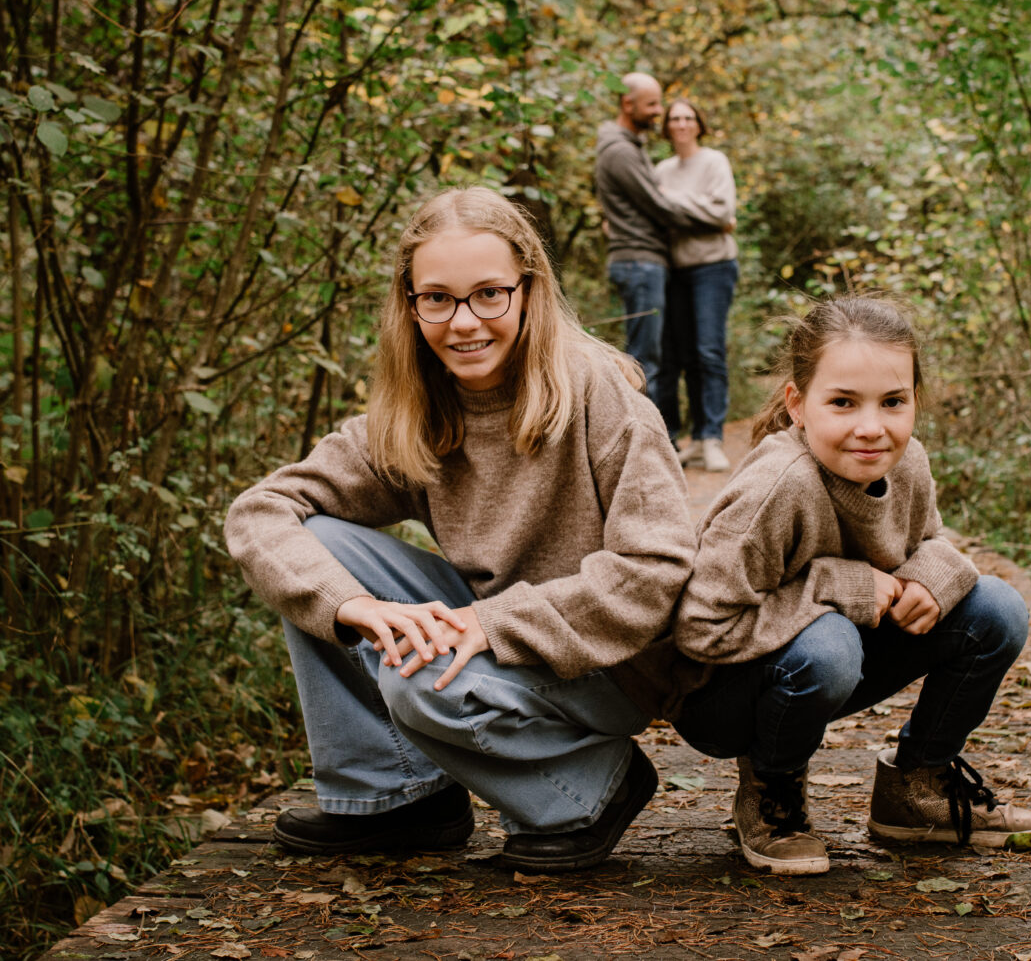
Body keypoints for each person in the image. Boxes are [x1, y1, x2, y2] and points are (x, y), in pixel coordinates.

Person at [224, 187, 699, 873]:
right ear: (410, 304)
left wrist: (492, 623)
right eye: (438, 299)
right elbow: (260, 510)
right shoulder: (418, 410)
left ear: (529, 291)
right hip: (493, 635)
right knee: (316, 548)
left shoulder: (599, 394)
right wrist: (350, 605)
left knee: (422, 681)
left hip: (606, 664)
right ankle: (396, 797)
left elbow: (656, 568)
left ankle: (590, 789)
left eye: (489, 295)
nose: (464, 322)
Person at [668, 295, 1031, 875]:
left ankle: (916, 787)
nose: (871, 428)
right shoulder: (779, 487)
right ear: (798, 405)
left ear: (915, 401)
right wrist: (839, 587)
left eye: (893, 402)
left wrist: (931, 577)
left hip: (821, 662)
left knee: (996, 609)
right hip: (720, 697)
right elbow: (699, 629)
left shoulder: (908, 460)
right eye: (843, 402)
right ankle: (772, 792)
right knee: (831, 645)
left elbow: (928, 539)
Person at [594, 72, 724, 408]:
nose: (658, 111)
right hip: (638, 263)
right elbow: (659, 206)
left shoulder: (630, 147)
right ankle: (637, 434)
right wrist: (715, 222)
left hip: (646, 263)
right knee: (643, 362)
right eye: (652, 104)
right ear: (627, 104)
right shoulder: (620, 152)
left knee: (652, 357)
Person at [654, 98, 738, 473]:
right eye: (675, 118)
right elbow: (660, 215)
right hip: (675, 270)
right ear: (667, 126)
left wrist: (672, 202)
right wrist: (700, 210)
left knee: (708, 351)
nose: (682, 123)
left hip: (713, 267)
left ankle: (712, 438)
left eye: (689, 117)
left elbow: (723, 213)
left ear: (699, 124)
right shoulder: (661, 170)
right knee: (682, 357)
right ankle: (695, 440)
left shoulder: (714, 161)